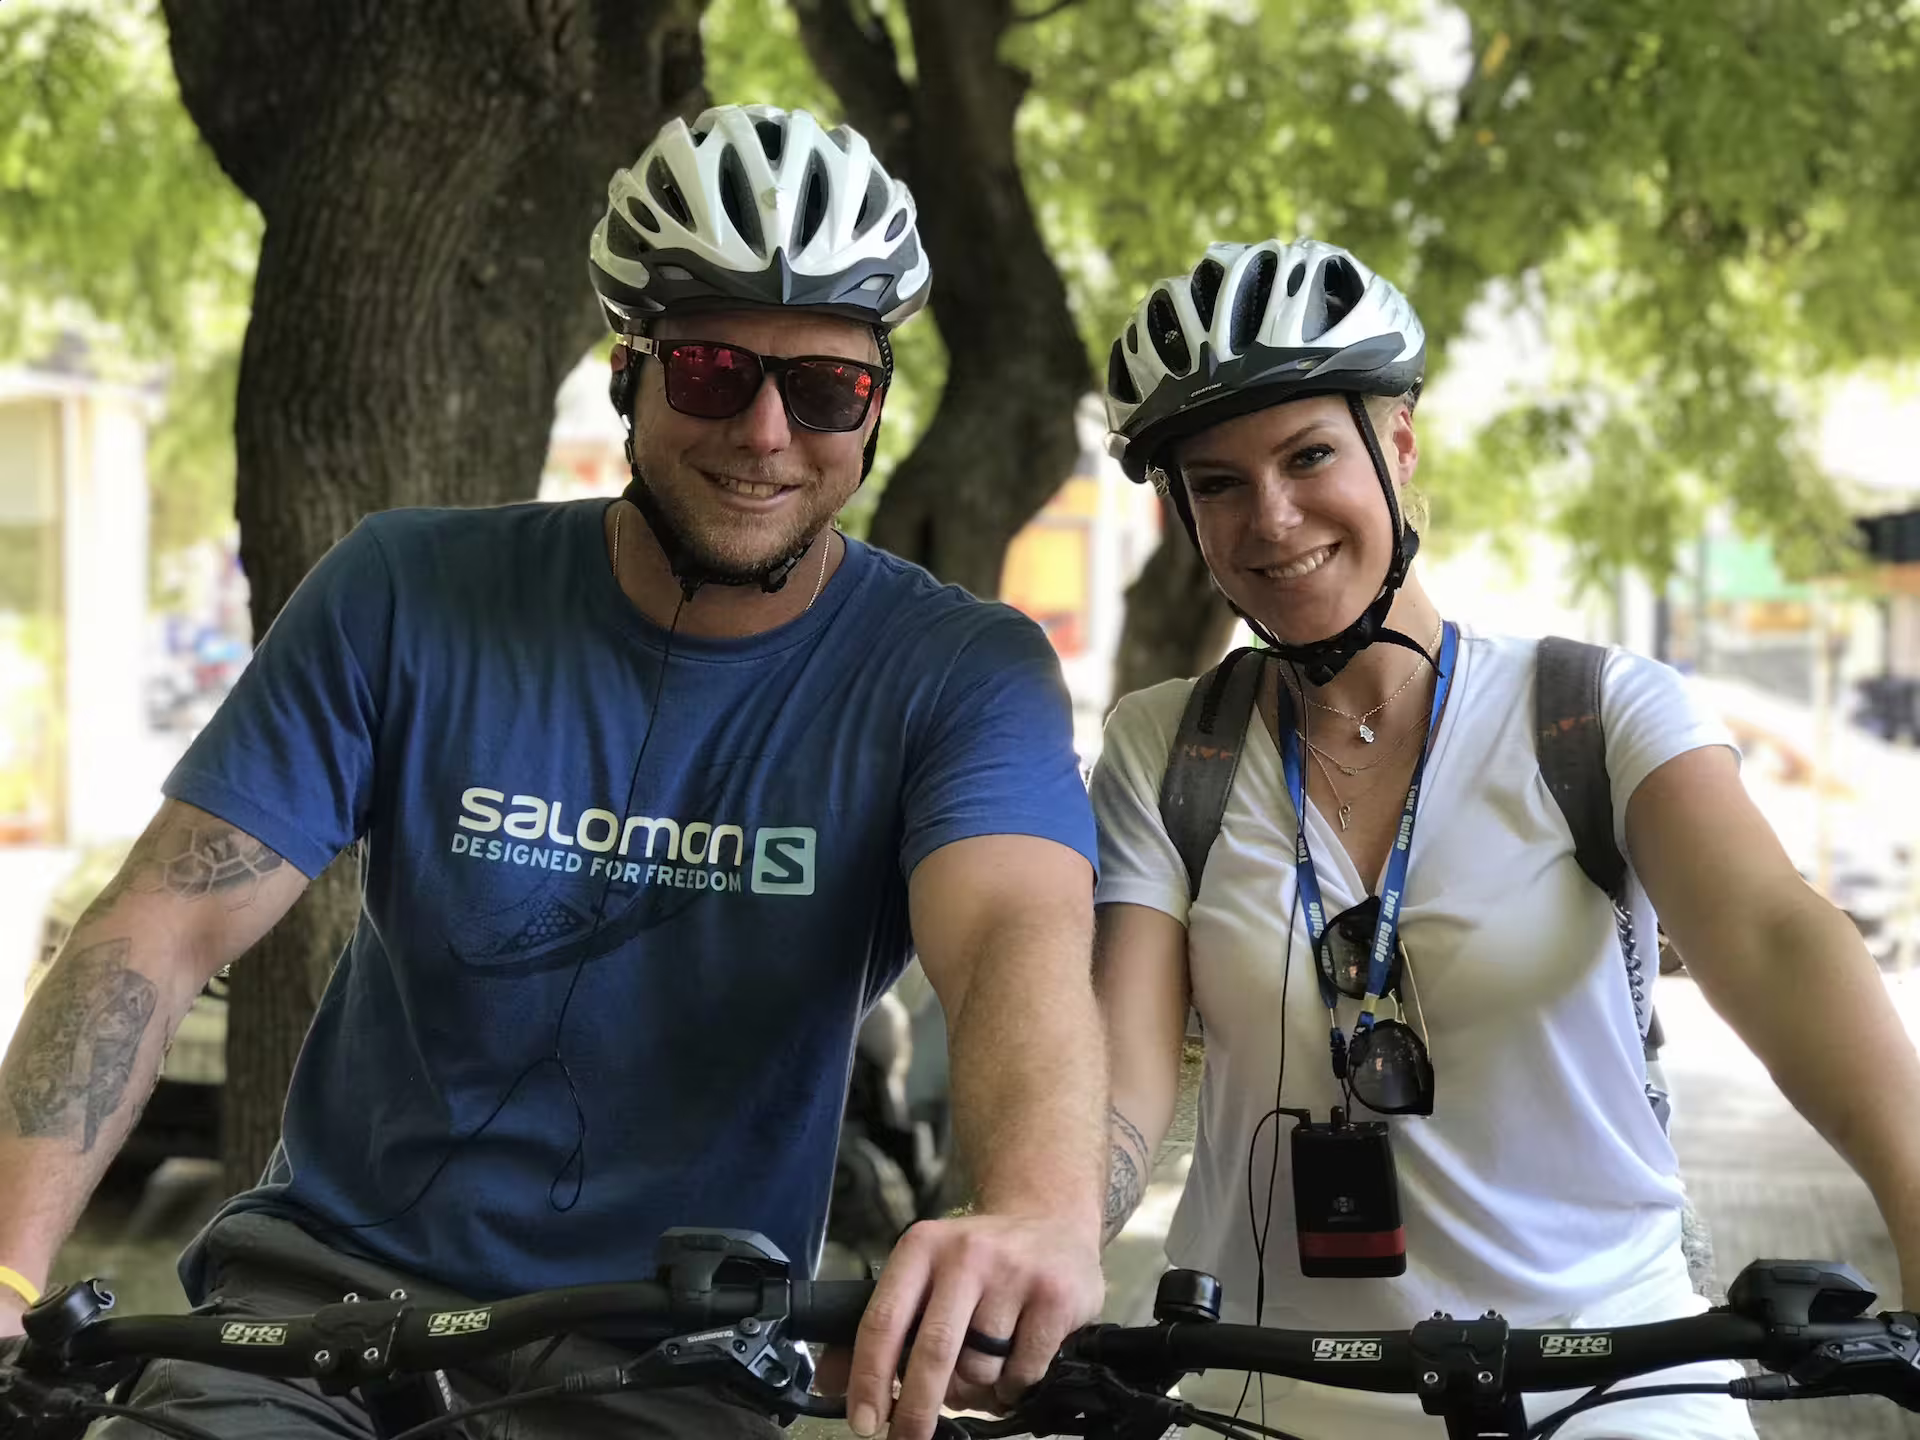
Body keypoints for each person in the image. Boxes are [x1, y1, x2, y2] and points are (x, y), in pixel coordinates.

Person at [0, 104, 1107, 1440]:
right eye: (709, 369)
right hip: (318, 1318)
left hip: (675, 1354)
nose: (765, 432)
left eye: (825, 388)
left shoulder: (960, 670)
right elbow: (160, 928)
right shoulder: (405, 589)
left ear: (874, 405)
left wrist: (1037, 1214)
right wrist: (5, 1269)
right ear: (624, 370)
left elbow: (1009, 949)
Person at [1091, 236, 1920, 1437]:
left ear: (1402, 447)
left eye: (1311, 455)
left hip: (1611, 1391)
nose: (1271, 518)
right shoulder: (1168, 748)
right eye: (1216, 484)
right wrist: (1034, 1245)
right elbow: (1118, 1069)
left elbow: (1779, 938)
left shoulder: (1595, 712)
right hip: (1259, 1395)